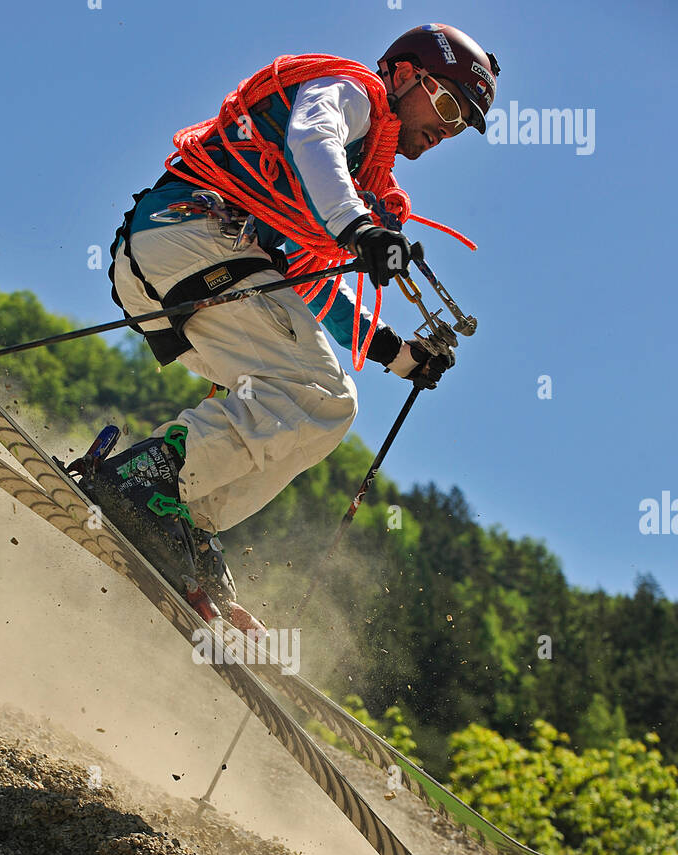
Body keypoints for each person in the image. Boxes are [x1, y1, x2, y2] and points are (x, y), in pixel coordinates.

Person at [70, 23, 499, 621]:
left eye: (460, 125)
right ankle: (141, 483)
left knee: (330, 408)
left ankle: (182, 519)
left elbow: (307, 289)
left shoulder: (347, 182)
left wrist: (400, 355)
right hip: (189, 235)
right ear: (404, 74)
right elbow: (312, 136)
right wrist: (357, 225)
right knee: (319, 392)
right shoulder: (354, 92)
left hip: (187, 270)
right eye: (448, 105)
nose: (446, 129)